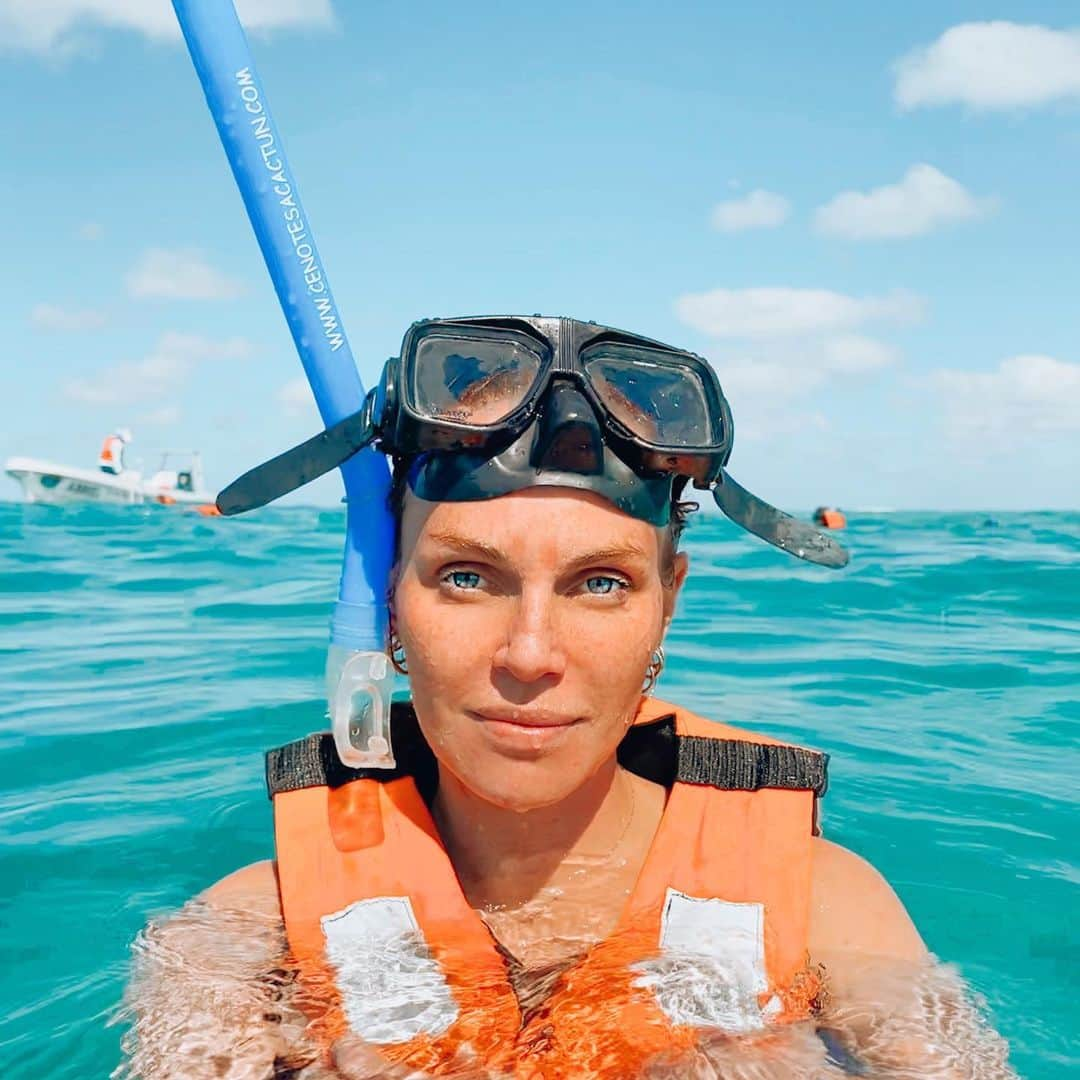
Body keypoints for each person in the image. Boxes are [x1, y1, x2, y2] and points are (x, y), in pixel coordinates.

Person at [123, 317, 1011, 1079]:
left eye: (600, 585)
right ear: (389, 599)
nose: (531, 653)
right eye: (467, 577)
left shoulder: (829, 915)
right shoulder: (238, 944)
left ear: (669, 601)